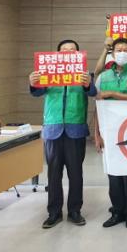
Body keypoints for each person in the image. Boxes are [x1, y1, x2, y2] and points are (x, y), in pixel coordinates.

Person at [29, 39, 96, 229]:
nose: (68, 52)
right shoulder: (47, 73)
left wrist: (88, 84)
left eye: (72, 50)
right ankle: (54, 213)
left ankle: (75, 211)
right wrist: (33, 83)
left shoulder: (84, 75)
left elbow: (92, 93)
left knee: (76, 174)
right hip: (53, 128)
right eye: (64, 50)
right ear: (57, 54)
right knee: (53, 174)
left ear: (78, 54)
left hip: (75, 128)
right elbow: (37, 93)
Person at [94, 38, 127, 229]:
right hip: (109, 130)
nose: (122, 53)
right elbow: (97, 107)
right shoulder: (103, 77)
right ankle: (117, 211)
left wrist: (112, 94)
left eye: (126, 50)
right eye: (119, 50)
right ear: (112, 53)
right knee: (113, 173)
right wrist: (97, 134)